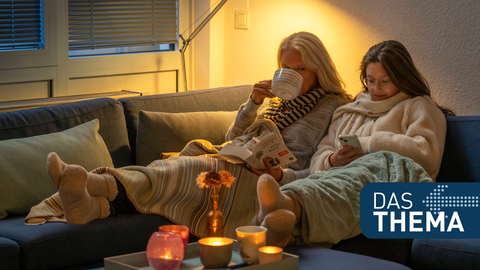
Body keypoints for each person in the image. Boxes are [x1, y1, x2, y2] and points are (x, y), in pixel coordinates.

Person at [26, 32, 350, 239]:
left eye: (300, 69)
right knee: (188, 165)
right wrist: (252, 104)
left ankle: (93, 183)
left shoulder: (334, 108)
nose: (290, 76)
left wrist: (280, 173)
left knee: (188, 170)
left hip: (269, 183)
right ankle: (92, 205)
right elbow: (232, 136)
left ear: (318, 68)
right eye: (285, 69)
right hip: (237, 160)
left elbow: (322, 170)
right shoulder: (275, 104)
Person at [255, 40, 455, 247]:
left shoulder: (418, 106)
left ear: (402, 78)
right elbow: (318, 159)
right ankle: (284, 220)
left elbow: (427, 155)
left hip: (398, 187)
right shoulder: (350, 111)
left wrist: (368, 144)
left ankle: (289, 206)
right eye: (370, 80)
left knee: (373, 164)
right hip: (344, 177)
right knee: (336, 177)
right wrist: (332, 160)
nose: (376, 88)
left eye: (385, 81)